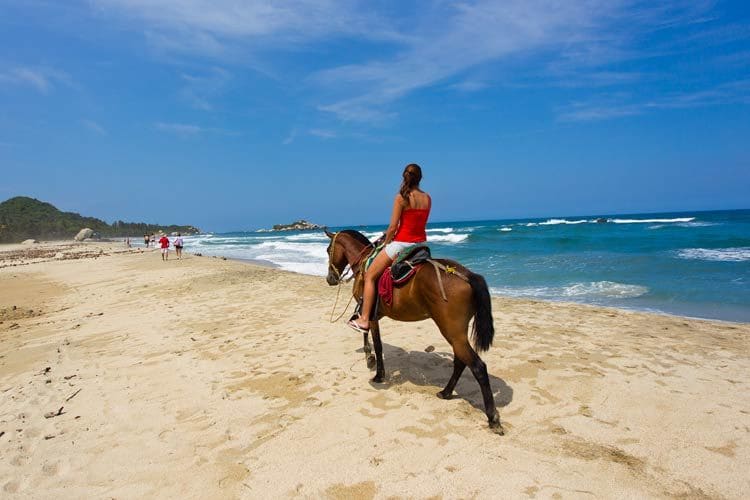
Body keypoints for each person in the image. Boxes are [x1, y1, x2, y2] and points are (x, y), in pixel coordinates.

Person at [348, 163, 431, 333]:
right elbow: (416, 223)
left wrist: (386, 242)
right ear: (420, 178)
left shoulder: (401, 198)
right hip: (420, 244)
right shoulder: (427, 198)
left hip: (402, 244)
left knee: (370, 275)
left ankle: (364, 319)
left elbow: (393, 227)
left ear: (404, 177)